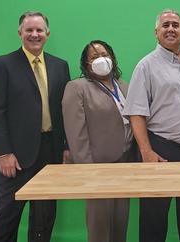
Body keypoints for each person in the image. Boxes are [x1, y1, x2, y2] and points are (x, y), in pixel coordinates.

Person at [123, 9, 180, 242]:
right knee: (154, 223)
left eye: (175, 25)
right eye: (165, 25)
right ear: (156, 32)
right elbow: (136, 113)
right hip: (160, 152)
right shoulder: (146, 66)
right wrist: (146, 152)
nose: (171, 29)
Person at [0, 11, 70, 242]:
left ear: (47, 34)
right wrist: (3, 152)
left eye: (39, 30)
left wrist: (66, 147)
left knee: (44, 217)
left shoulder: (60, 66)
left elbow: (64, 112)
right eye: (29, 30)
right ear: (20, 32)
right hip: (16, 156)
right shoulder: (2, 65)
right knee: (8, 216)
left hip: (50, 151)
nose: (35, 34)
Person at [62, 40, 135, 242]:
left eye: (104, 54)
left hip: (124, 164)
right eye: (94, 57)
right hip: (97, 167)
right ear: (86, 64)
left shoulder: (124, 86)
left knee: (121, 223)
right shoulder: (77, 88)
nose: (101, 59)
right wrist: (87, 170)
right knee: (99, 227)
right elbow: (76, 133)